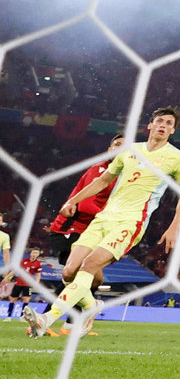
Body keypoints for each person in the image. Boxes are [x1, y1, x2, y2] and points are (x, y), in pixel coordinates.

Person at [24, 107, 180, 338]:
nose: (163, 125)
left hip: (131, 221)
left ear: (173, 130)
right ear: (150, 125)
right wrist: (73, 200)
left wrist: (174, 228)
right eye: (160, 121)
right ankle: (91, 305)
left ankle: (48, 318)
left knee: (90, 265)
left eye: (169, 123)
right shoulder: (131, 151)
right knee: (70, 270)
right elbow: (103, 180)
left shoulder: (177, 159)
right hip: (104, 218)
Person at [45, 134, 125, 335]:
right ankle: (44, 321)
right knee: (74, 274)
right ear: (109, 149)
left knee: (95, 279)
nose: (119, 149)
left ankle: (72, 324)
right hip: (70, 228)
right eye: (116, 145)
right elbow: (88, 204)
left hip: (91, 232)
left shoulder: (125, 176)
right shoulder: (99, 169)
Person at [4, 247, 42, 321]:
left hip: (28, 284)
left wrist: (36, 283)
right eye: (33, 252)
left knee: (26, 300)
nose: (34, 254)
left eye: (36, 253)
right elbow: (14, 271)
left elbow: (38, 275)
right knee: (13, 299)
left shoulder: (38, 264)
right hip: (19, 283)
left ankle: (22, 317)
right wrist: (7, 277)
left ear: (38, 255)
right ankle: (8, 316)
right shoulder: (23, 261)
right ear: (30, 253)